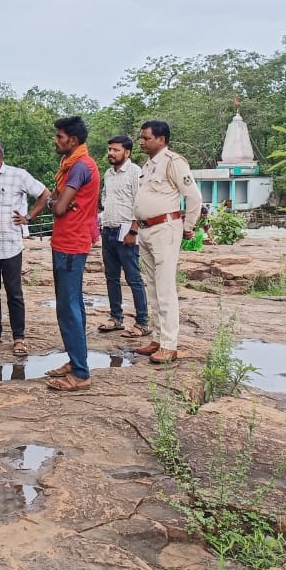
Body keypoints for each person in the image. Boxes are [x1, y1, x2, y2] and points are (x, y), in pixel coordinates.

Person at [0, 139, 50, 358]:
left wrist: (29, 217)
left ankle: (19, 338)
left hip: (10, 245)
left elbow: (45, 194)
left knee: (14, 293)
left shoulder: (18, 175)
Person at [132, 120, 203, 364]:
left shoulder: (174, 162)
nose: (142, 141)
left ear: (161, 139)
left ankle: (170, 344)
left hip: (165, 228)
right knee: (151, 286)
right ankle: (157, 338)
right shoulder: (148, 165)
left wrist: (188, 226)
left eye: (146, 138)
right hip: (146, 230)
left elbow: (193, 197)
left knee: (165, 288)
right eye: (141, 137)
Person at [43, 116, 101, 392]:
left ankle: (80, 373)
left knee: (69, 309)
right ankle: (75, 360)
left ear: (73, 141)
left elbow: (58, 207)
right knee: (72, 306)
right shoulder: (74, 165)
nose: (56, 141)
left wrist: (54, 202)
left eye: (59, 137)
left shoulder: (79, 167)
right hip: (68, 242)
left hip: (70, 244)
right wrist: (58, 201)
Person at [96, 135, 150, 338]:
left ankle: (142, 322)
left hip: (127, 230)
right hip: (108, 230)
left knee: (133, 277)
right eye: (109, 149)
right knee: (111, 277)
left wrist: (134, 230)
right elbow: (104, 198)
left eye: (115, 150)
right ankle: (116, 318)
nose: (111, 153)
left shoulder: (135, 172)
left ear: (127, 152)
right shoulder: (109, 174)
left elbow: (141, 203)